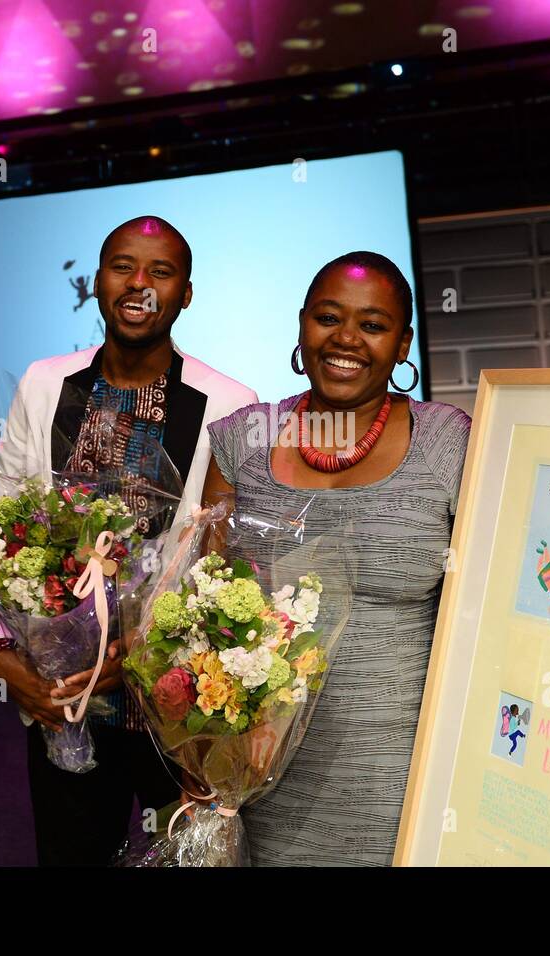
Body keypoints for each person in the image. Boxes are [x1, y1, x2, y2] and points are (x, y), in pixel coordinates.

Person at [0, 215, 257, 865]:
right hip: (63, 696)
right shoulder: (46, 384)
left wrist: (143, 650)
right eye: (124, 266)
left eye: (162, 271)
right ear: (96, 281)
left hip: (175, 707)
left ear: (186, 293)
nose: (141, 284)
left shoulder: (229, 404)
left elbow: (224, 567)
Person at [201, 250, 471, 865]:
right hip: (264, 773)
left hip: (408, 773)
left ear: (403, 345)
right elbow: (200, 607)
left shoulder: (446, 441)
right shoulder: (244, 439)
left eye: (373, 326)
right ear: (301, 324)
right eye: (328, 317)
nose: (346, 338)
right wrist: (208, 746)